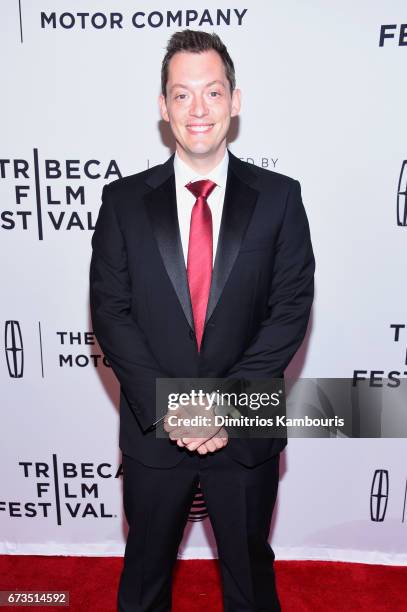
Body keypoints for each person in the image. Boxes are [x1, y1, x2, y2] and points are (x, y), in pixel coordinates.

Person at [90, 29, 315, 612]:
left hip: (244, 433)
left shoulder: (280, 198)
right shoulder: (121, 203)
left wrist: (221, 407)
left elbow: (289, 312)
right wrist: (174, 408)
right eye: (182, 95)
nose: (198, 110)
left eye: (212, 93)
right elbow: (111, 315)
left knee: (249, 585)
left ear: (235, 101)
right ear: (162, 108)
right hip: (153, 433)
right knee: (143, 587)